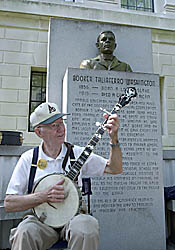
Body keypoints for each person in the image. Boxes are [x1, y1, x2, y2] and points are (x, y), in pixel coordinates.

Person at [4, 102, 122, 250]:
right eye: (54, 125)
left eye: (61, 123)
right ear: (39, 132)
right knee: (24, 232)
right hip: (41, 221)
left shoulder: (76, 154)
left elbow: (115, 168)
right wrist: (43, 196)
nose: (61, 129)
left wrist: (113, 139)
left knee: (87, 228)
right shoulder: (29, 159)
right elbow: (9, 204)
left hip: (74, 218)